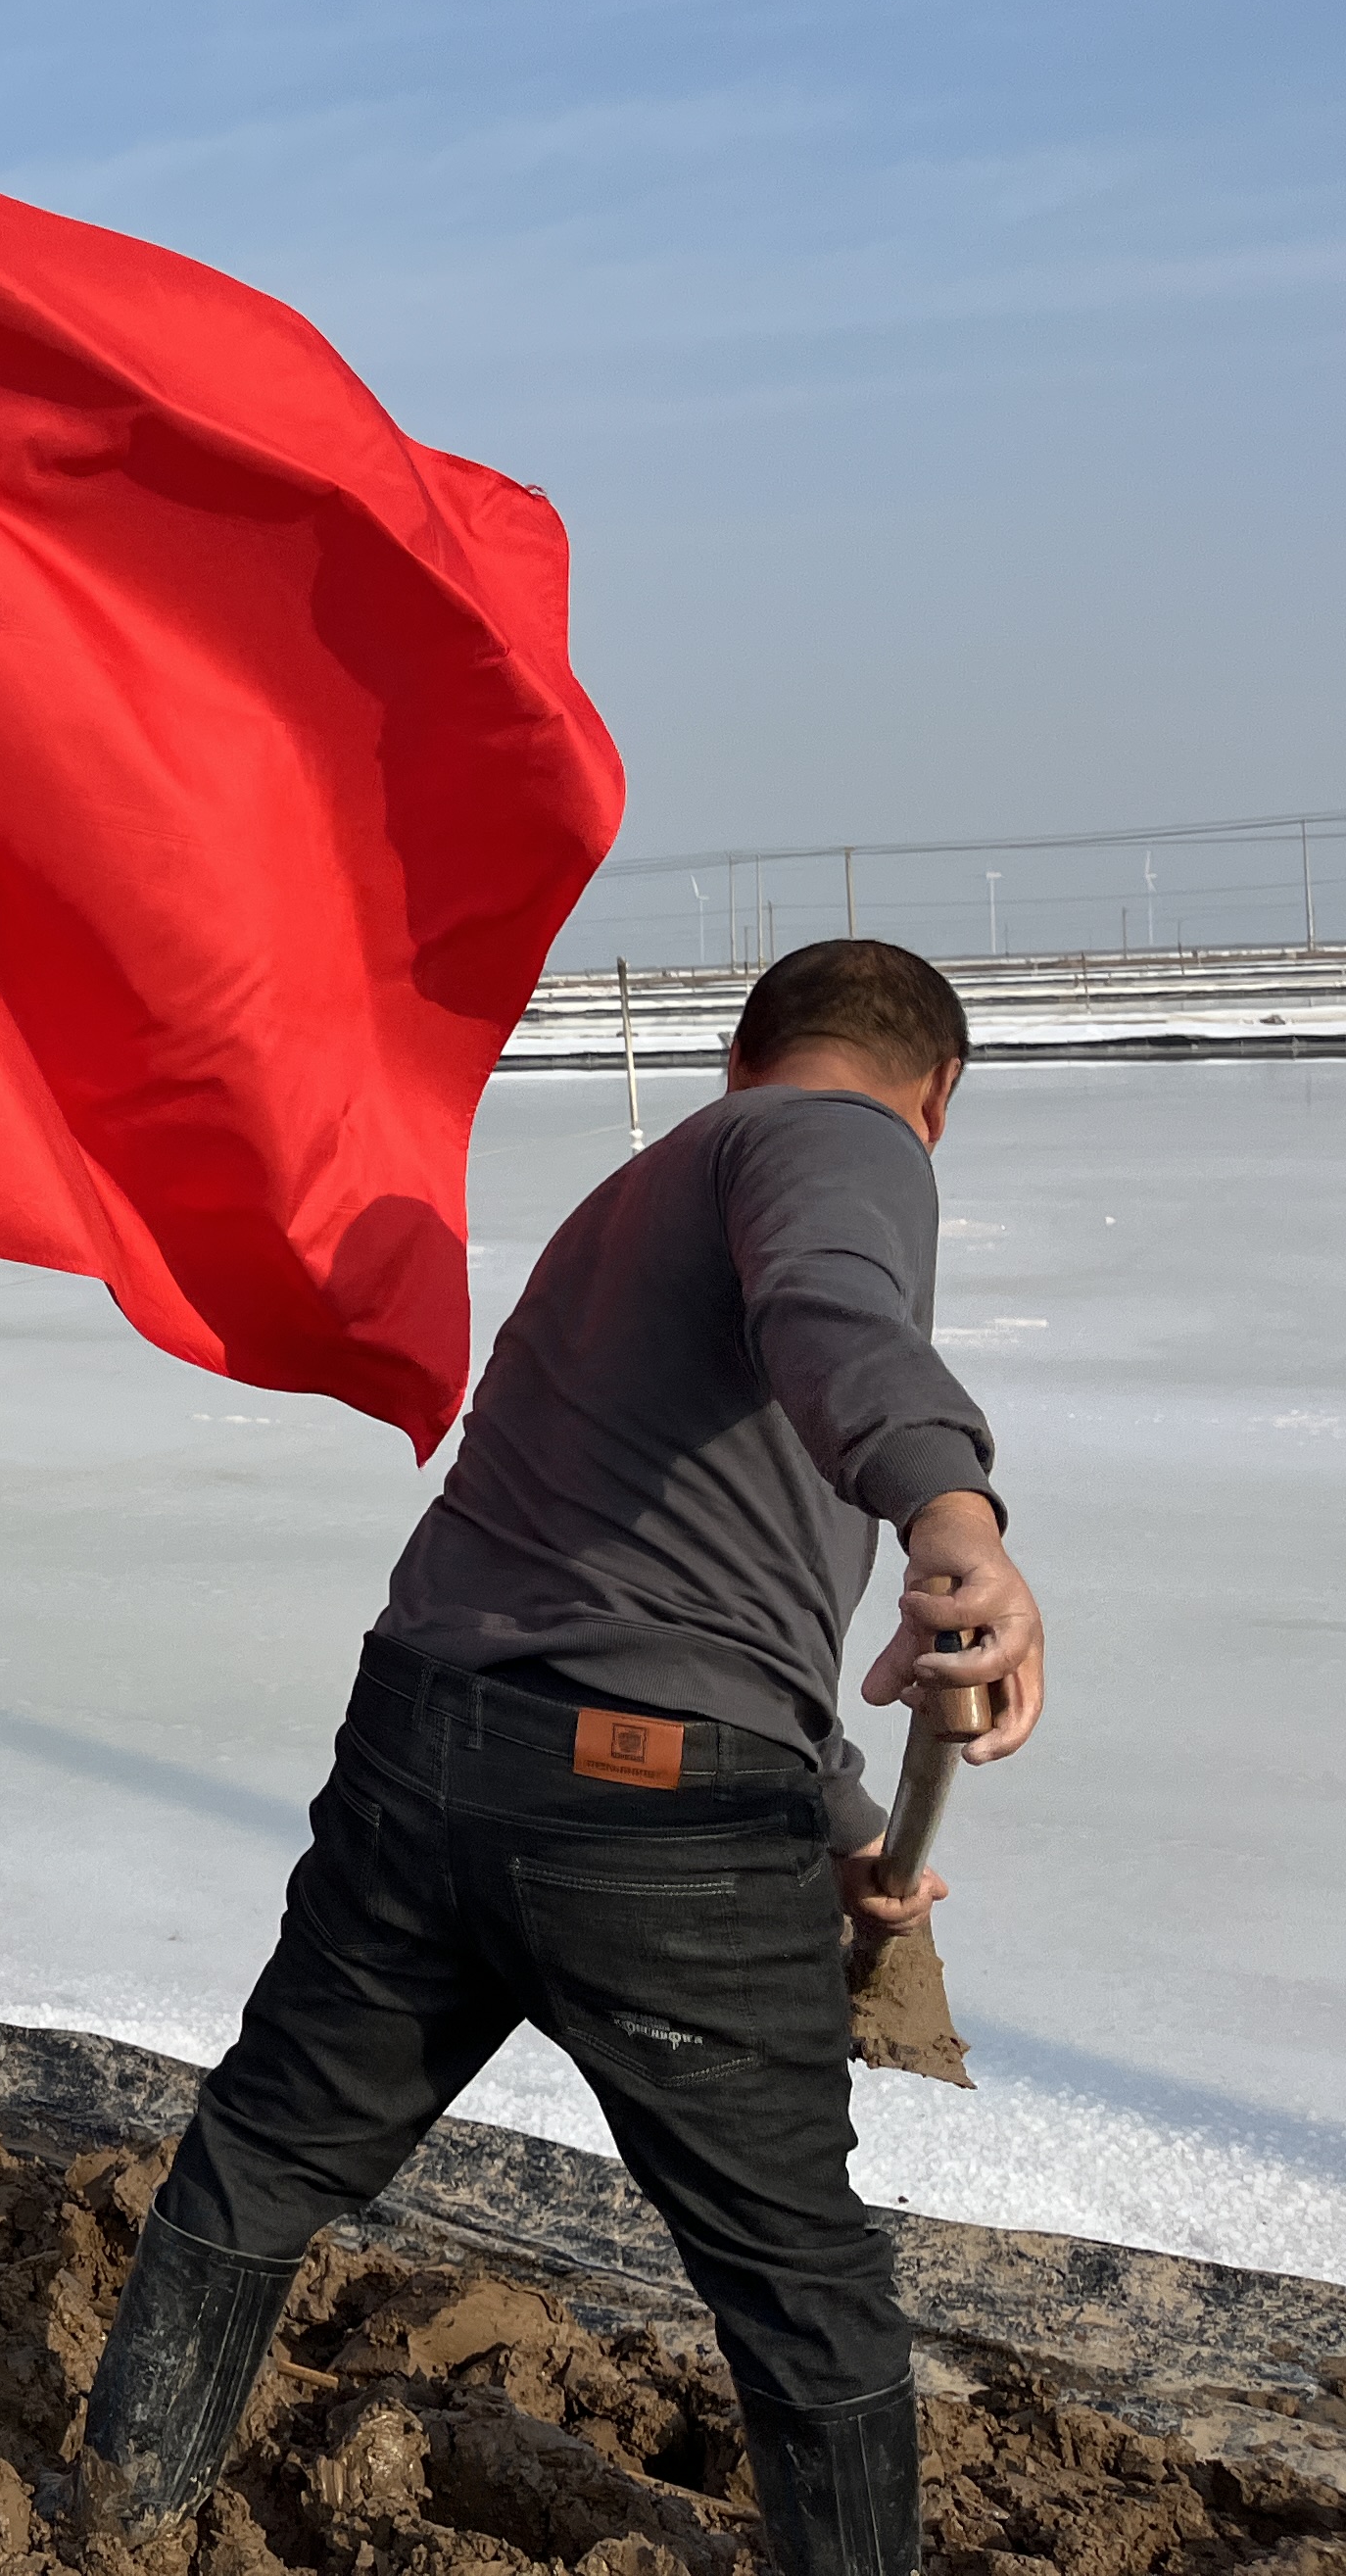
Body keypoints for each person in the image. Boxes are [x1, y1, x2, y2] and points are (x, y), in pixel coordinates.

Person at [80, 940, 1047, 2576]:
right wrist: (952, 1515)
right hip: (650, 1813)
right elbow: (832, 1302)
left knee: (263, 2153)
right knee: (800, 2285)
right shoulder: (837, 1138)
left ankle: (118, 2514)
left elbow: (669, 1571)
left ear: (732, 1054)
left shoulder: (633, 1205)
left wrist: (831, 1810)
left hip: (424, 1747)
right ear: (938, 1095)